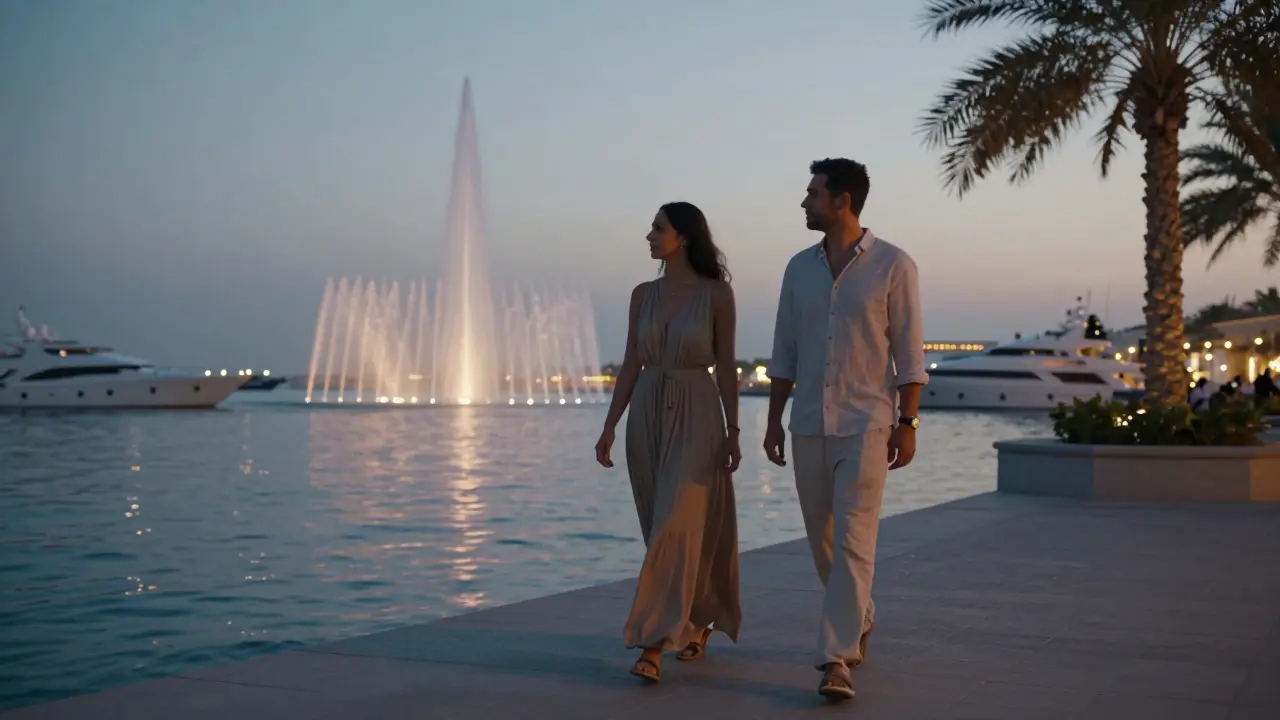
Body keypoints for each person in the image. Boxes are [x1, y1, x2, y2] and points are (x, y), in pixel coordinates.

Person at [763, 158, 927, 701]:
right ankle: (862, 613)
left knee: (856, 540)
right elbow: (784, 349)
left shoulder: (893, 265)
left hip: (867, 423)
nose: (803, 202)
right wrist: (772, 423)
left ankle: (836, 659)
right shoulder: (798, 269)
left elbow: (909, 352)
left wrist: (907, 423)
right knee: (824, 542)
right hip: (807, 422)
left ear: (842, 201)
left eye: (812, 193)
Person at [594, 201, 743, 684]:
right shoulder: (643, 294)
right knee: (662, 522)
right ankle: (697, 618)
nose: (649, 236)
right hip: (646, 412)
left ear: (684, 236)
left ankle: (654, 642)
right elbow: (631, 362)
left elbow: (726, 367)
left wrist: (734, 430)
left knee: (675, 524)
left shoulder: (717, 295)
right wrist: (611, 424)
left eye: (658, 228)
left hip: (698, 411)